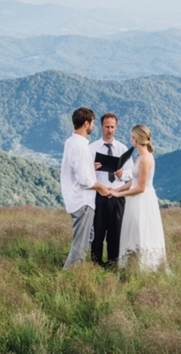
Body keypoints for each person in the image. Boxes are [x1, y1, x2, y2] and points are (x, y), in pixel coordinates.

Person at [109, 124, 167, 272]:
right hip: (135, 199)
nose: (130, 140)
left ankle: (143, 267)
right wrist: (117, 188)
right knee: (133, 230)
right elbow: (133, 181)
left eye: (131, 137)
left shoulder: (146, 159)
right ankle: (132, 264)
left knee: (140, 230)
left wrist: (119, 194)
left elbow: (140, 188)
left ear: (136, 139)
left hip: (142, 200)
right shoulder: (140, 156)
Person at [61, 107, 110, 270]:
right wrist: (101, 187)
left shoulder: (71, 142)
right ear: (86, 123)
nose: (93, 126)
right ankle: (69, 275)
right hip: (83, 201)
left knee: (88, 236)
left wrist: (90, 166)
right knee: (80, 245)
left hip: (76, 199)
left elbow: (78, 169)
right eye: (93, 123)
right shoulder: (81, 148)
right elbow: (85, 180)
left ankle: (72, 272)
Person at [89, 112, 133, 267]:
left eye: (112, 127)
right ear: (101, 127)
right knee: (97, 231)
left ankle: (114, 263)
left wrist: (122, 174)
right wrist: (90, 167)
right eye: (107, 127)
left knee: (116, 232)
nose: (109, 130)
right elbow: (83, 174)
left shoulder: (122, 148)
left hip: (117, 195)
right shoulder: (92, 148)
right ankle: (96, 263)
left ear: (116, 127)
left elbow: (131, 173)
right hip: (98, 195)